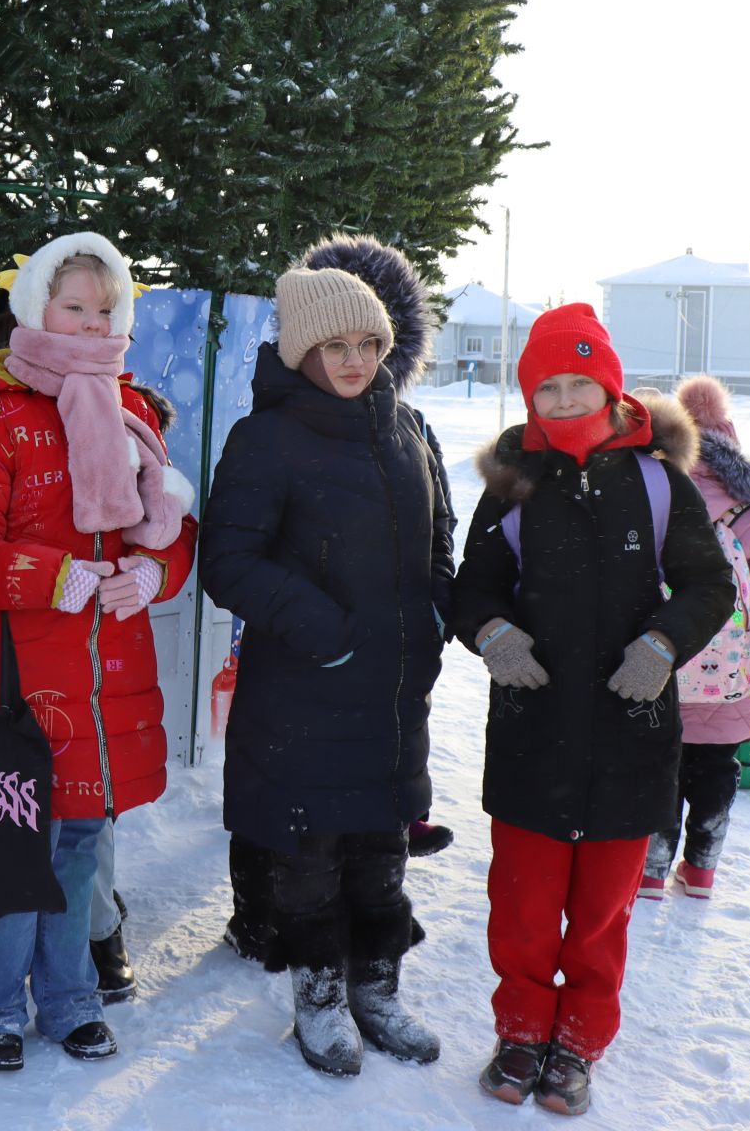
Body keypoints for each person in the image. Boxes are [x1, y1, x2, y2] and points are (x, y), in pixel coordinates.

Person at [452, 303, 734, 1116]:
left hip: (632, 733)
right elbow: (471, 587)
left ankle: (577, 1042)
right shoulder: (512, 481)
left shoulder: (657, 481)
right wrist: (495, 633)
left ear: (612, 391)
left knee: (602, 914)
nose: (567, 399)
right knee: (525, 905)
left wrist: (661, 645)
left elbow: (710, 583)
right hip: (532, 732)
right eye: (550, 386)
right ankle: (521, 1032)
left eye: (582, 383)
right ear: (530, 398)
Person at [0, 233, 197, 1072]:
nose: (88, 323)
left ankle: (71, 1000)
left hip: (105, 677)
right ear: (33, 307)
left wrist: (149, 573)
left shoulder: (136, 414)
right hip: (16, 677)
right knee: (15, 849)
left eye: (104, 308)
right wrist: (55, 577)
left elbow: (175, 531)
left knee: (80, 847)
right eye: (72, 305)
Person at [200, 256, 451, 1078]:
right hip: (304, 690)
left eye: (368, 343)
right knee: (309, 859)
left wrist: (435, 620)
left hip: (390, 697)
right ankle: (318, 996)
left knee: (383, 853)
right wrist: (323, 626)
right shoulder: (265, 436)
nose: (353, 360)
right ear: (301, 352)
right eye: (333, 344)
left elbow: (439, 541)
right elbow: (228, 561)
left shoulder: (409, 430)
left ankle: (376, 989)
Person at [638, 374, 750, 902]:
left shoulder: (656, 490)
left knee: (665, 764)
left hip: (667, 656)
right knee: (717, 767)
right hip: (732, 672)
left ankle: (651, 870)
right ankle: (702, 869)